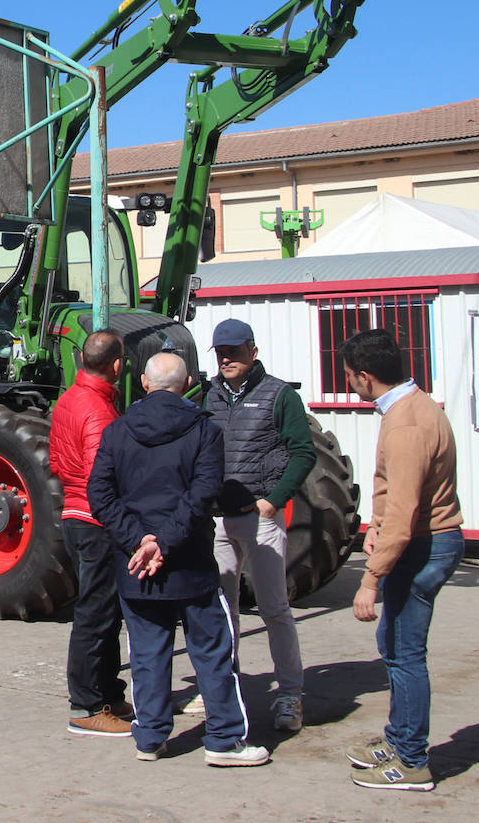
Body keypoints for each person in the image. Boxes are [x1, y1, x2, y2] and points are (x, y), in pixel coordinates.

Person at [88, 352, 269, 767]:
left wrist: (140, 542)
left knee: (148, 654)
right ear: (188, 382)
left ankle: (149, 738)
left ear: (146, 384)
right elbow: (203, 493)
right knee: (213, 650)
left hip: (139, 567)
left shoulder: (117, 431)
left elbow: (100, 495)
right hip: (190, 563)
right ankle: (223, 740)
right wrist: (164, 542)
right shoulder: (204, 430)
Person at [339, 329, 462, 791]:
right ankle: (400, 738)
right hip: (415, 541)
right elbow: (394, 495)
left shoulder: (408, 424)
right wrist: (376, 531)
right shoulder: (406, 407)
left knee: (405, 654)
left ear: (366, 377)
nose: (349, 384)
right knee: (393, 646)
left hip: (423, 546)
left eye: (350, 378)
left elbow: (408, 508)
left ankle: (412, 761)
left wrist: (371, 579)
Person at [205, 318, 314, 731]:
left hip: (260, 518)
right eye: (220, 352)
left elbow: (303, 452)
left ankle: (290, 694)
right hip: (217, 520)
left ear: (253, 350)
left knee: (274, 609)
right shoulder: (208, 396)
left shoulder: (279, 396)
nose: (227, 358)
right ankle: (222, 687)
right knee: (221, 610)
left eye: (234, 350)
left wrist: (273, 502)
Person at [49, 330, 131, 737]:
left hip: (75, 513)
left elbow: (57, 459)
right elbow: (105, 474)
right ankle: (85, 705)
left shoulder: (68, 400)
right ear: (117, 366)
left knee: (104, 611)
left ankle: (108, 693)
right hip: (96, 521)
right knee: (96, 615)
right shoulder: (98, 410)